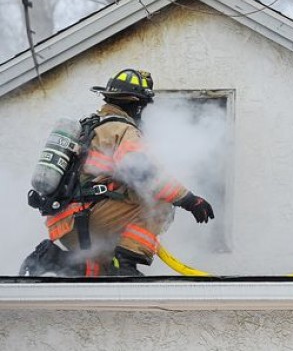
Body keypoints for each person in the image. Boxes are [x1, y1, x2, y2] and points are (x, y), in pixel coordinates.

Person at [21, 69, 214, 277]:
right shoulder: (122, 130)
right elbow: (143, 173)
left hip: (65, 224)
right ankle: (126, 264)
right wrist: (188, 199)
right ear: (136, 104)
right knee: (160, 203)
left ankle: (53, 258)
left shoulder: (91, 126)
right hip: (88, 217)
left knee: (104, 271)